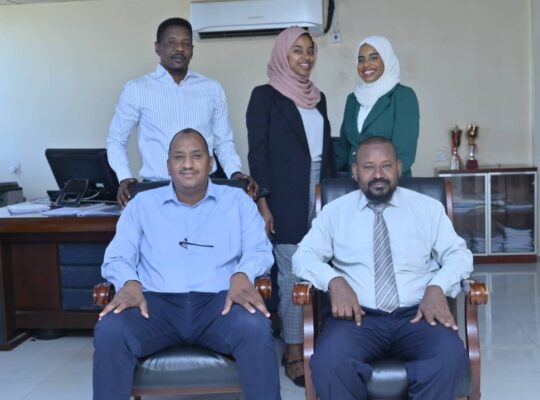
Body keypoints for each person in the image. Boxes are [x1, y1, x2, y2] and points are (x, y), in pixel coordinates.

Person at [93, 129, 280, 400]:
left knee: (255, 327)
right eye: (179, 157)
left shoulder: (237, 201)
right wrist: (129, 282)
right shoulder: (142, 204)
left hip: (220, 305)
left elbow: (260, 249)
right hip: (154, 306)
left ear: (211, 163)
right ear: (168, 165)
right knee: (111, 330)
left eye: (196, 156)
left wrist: (242, 274)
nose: (188, 164)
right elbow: (117, 256)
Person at [292, 136, 472, 400]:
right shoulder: (335, 212)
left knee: (450, 358)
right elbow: (302, 256)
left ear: (398, 168)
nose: (378, 175)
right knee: (328, 363)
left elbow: (459, 255)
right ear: (355, 172)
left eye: (386, 166)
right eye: (369, 167)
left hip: (418, 314)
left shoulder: (428, 209)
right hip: (357, 318)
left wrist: (437, 287)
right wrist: (333, 281)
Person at [246, 26, 334, 387]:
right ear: (283, 54)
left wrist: (332, 196)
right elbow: (257, 152)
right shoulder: (264, 96)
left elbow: (326, 151)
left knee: (323, 265)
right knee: (292, 271)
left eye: (310, 50)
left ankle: (320, 338)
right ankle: (295, 349)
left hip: (321, 190)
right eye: (297, 50)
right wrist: (263, 201)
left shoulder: (318, 97)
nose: (305, 57)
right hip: (285, 194)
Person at [107, 17, 256, 207]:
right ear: (157, 48)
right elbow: (116, 140)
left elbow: (223, 141)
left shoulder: (212, 89)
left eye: (185, 43)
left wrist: (234, 173)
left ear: (192, 49)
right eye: (172, 42)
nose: (179, 48)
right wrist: (124, 177)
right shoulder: (137, 89)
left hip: (206, 193)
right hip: (156, 192)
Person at [335, 36, 419, 177]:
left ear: (386, 59)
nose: (366, 64)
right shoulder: (353, 99)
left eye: (374, 58)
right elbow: (344, 149)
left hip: (388, 183)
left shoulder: (402, 96)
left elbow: (404, 152)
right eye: (361, 60)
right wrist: (322, 173)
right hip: (354, 183)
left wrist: (376, 178)